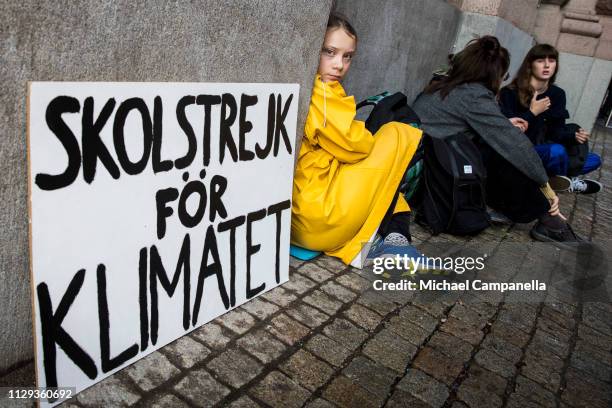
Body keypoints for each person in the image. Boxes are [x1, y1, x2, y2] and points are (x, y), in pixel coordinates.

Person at [413, 36, 582, 243]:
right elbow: (515, 145)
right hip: (434, 178)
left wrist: (503, 124)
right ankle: (549, 218)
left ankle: (547, 215)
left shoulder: (443, 85)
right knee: (505, 156)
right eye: (503, 75)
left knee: (501, 148)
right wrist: (546, 187)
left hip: (427, 164)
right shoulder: (474, 96)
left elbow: (458, 125)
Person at [291, 12, 423, 265]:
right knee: (398, 133)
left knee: (383, 175)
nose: (339, 65)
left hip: (300, 219)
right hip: (316, 218)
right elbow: (357, 146)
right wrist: (365, 134)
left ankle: (392, 234)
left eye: (347, 56)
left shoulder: (315, 88)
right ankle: (391, 235)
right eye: (329, 52)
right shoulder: (323, 93)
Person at [499, 44, 602, 194]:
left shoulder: (557, 94)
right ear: (530, 65)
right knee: (556, 152)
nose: (547, 65)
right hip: (520, 152)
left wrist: (574, 136)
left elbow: (555, 133)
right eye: (540, 60)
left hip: (544, 147)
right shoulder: (510, 92)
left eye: (552, 60)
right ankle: (557, 184)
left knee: (594, 159)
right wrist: (533, 112)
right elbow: (509, 134)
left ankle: (551, 179)